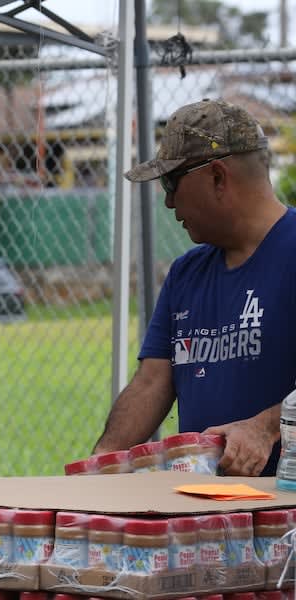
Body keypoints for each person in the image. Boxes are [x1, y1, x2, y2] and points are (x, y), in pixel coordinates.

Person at [93, 98, 296, 477]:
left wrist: (265, 428)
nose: (168, 202)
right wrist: (100, 462)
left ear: (218, 177)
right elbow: (153, 380)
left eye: (172, 182)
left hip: (282, 511)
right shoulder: (186, 273)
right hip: (203, 510)